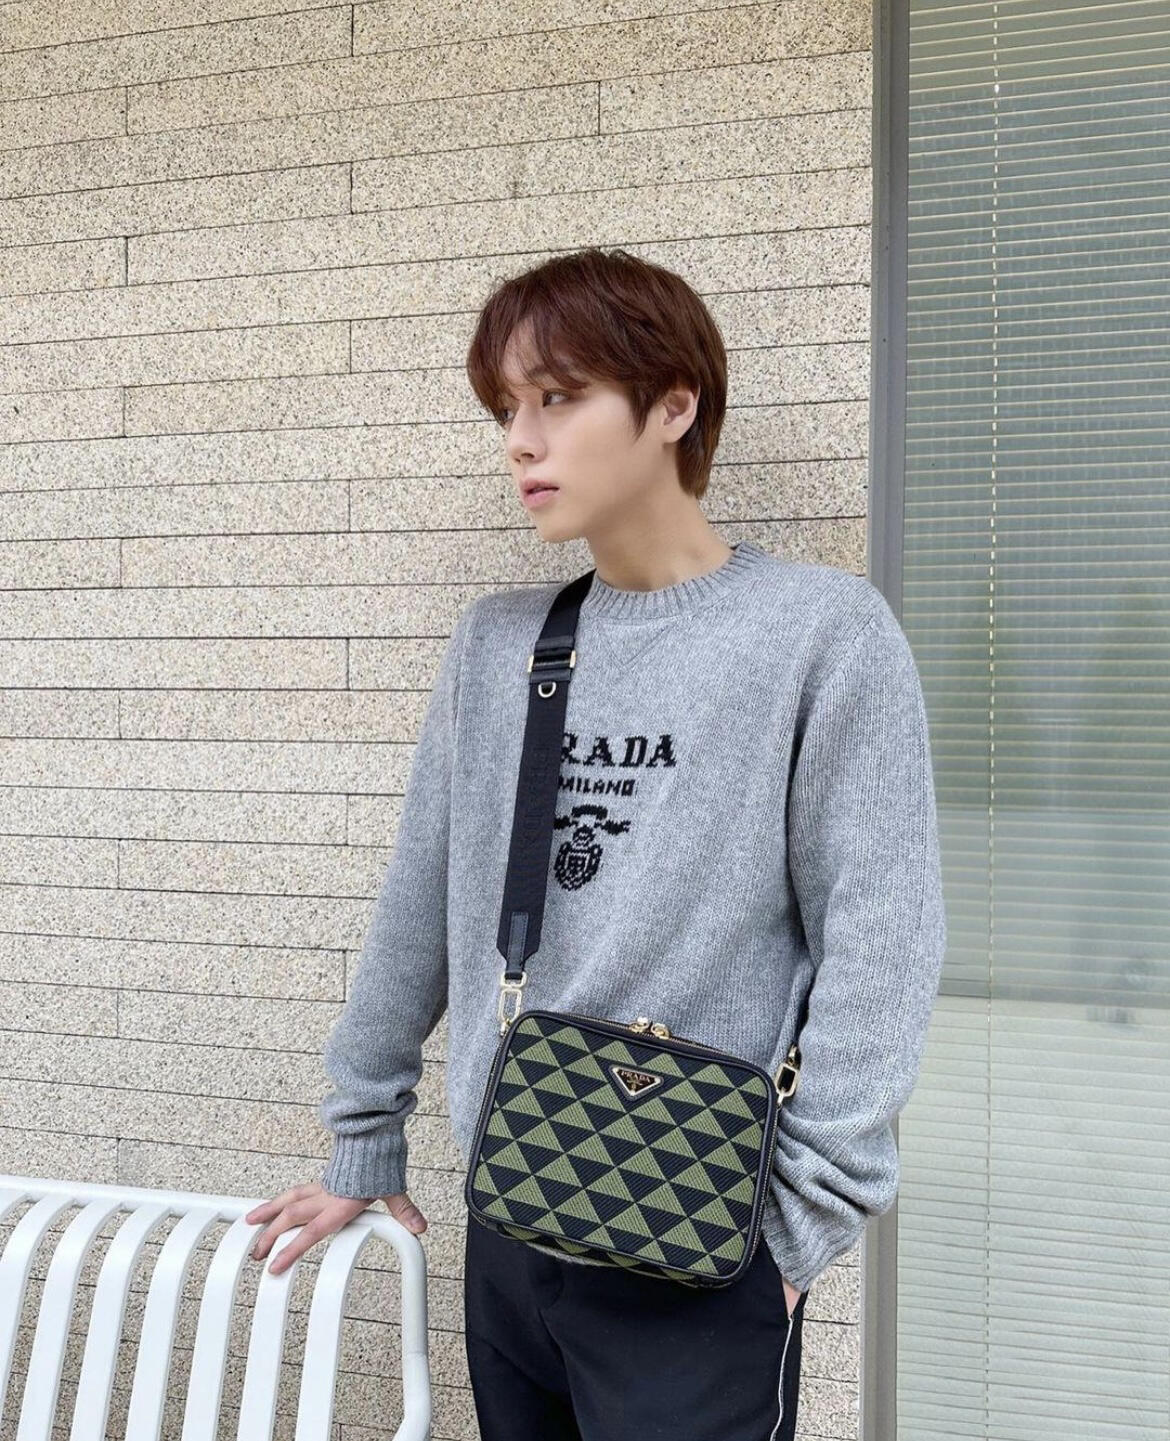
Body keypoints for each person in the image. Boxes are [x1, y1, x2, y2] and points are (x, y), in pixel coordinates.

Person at [246, 246, 947, 1441]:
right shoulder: (502, 644)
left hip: (701, 1250)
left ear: (673, 404)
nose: (522, 441)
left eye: (559, 397)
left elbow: (881, 942)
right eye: (505, 409)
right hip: (515, 1221)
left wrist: (794, 1233)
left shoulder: (824, 635)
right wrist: (364, 1134)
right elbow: (424, 899)